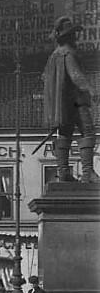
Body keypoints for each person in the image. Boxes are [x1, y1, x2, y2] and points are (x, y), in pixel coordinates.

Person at [44, 16, 98, 182]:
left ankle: (64, 172)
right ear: (68, 36)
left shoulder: (55, 55)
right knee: (88, 132)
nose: (76, 37)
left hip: (63, 104)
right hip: (77, 101)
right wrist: (91, 89)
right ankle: (88, 172)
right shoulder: (69, 53)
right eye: (73, 34)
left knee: (65, 134)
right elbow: (75, 75)